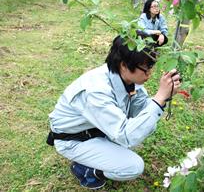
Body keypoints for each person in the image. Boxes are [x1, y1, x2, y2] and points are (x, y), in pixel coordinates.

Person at [46, 36, 181, 190]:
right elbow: (126, 136)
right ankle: (86, 170)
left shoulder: (127, 79)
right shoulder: (96, 90)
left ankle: (97, 154)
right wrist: (159, 98)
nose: (150, 73)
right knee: (133, 167)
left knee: (147, 123)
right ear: (124, 65)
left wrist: (163, 97)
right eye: (147, 67)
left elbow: (143, 111)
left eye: (152, 65)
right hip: (73, 140)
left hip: (96, 130)